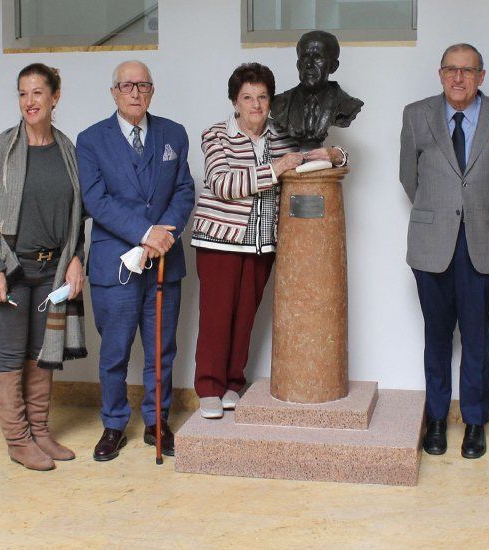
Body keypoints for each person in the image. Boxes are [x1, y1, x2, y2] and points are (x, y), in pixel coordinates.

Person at [191, 62, 346, 418]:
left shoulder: (280, 136)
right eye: (247, 97)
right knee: (216, 318)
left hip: (262, 244)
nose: (255, 105)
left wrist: (334, 155)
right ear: (235, 101)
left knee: (245, 317)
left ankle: (232, 383)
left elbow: (306, 157)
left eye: (262, 97)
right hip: (221, 242)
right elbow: (223, 184)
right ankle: (209, 388)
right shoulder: (216, 135)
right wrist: (275, 168)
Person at [399, 43, 489, 459]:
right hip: (432, 246)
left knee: (476, 339)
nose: (458, 78)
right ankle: (435, 420)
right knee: (436, 338)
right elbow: (409, 179)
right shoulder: (416, 115)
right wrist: (445, 213)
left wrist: (476, 214)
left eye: (467, 71)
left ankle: (474, 423)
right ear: (440, 74)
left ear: (481, 76)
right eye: (451, 69)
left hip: (483, 247)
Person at [0, 63, 87, 471]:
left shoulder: (69, 151)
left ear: (55, 97)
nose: (29, 102)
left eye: (38, 93)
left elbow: (79, 215)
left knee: (41, 354)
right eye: (23, 93)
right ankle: (18, 441)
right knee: (12, 353)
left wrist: (76, 260)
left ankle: (39, 431)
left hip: (52, 269)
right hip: (11, 268)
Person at [77, 60, 195, 461]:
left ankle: (156, 420)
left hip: (165, 263)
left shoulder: (173, 134)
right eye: (127, 86)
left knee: (161, 349)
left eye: (142, 85)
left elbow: (183, 191)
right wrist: (146, 235)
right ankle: (113, 424)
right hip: (117, 267)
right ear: (114, 92)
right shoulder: (91, 140)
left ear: (152, 91)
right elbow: (96, 200)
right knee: (115, 352)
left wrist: (165, 234)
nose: (135, 93)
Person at [270, 30, 364, 150]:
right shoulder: (279, 103)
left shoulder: (348, 106)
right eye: (304, 57)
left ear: (333, 66)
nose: (309, 64)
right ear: (298, 64)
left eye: (317, 58)